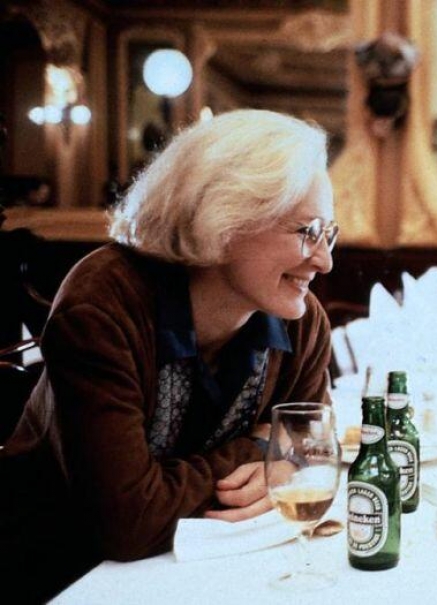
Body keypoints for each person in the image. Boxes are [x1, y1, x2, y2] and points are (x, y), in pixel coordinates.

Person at [0, 109, 338, 603]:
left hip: (201, 567)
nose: (325, 261)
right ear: (225, 218)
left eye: (329, 234)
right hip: (61, 571)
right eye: (307, 231)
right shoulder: (104, 304)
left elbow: (313, 456)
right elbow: (127, 523)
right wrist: (261, 449)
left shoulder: (302, 321)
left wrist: (283, 458)